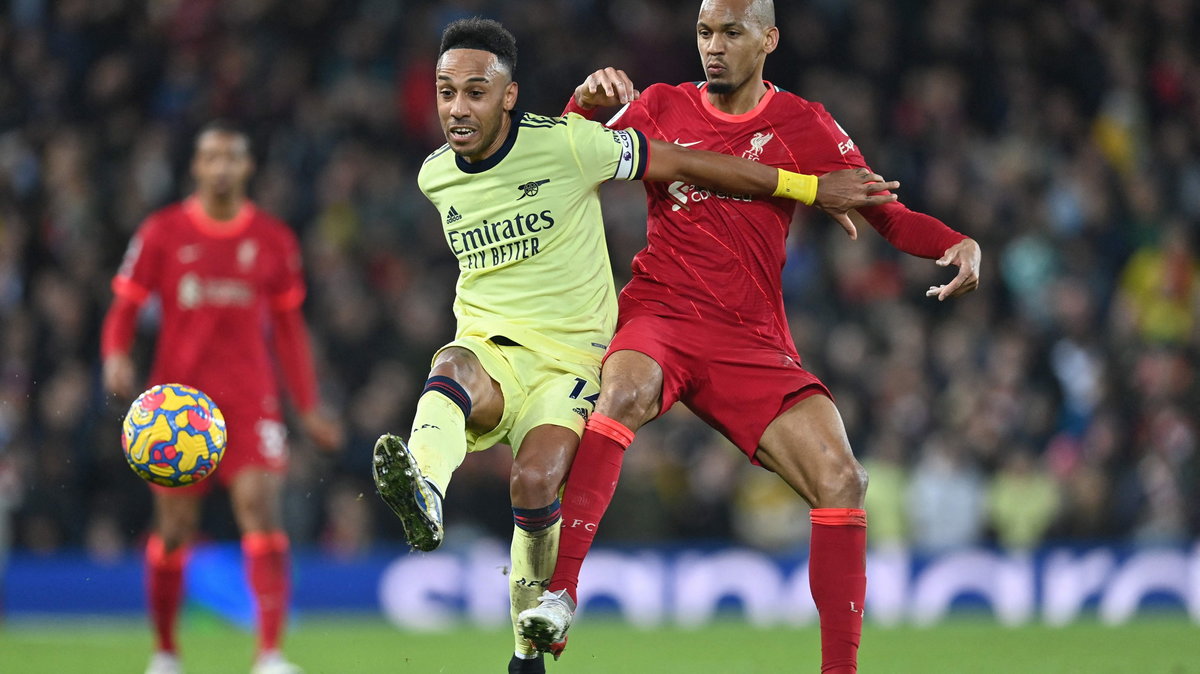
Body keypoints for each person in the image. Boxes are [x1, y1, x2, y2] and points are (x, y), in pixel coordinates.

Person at [368, 17, 899, 674]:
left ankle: (525, 654)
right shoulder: (434, 176)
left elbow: (680, 161)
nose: (456, 107)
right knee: (450, 366)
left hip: (570, 364)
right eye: (446, 92)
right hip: (492, 347)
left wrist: (810, 188)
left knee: (534, 484)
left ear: (509, 95)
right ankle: (424, 488)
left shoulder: (572, 143)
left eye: (475, 92)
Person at [516, 2, 982, 673]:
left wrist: (957, 241)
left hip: (751, 339)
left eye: (731, 33)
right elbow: (561, 159)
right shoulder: (659, 105)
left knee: (842, 478)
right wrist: (582, 104)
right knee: (623, 389)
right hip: (662, 312)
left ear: (768, 39)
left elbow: (886, 212)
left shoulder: (803, 124)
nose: (714, 46)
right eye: (705, 32)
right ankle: (560, 596)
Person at [101, 120, 341, 674]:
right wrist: (115, 355)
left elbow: (288, 331)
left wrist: (306, 406)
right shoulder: (162, 232)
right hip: (177, 408)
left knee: (261, 510)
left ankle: (270, 653)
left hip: (250, 400)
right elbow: (124, 306)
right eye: (212, 157)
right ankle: (164, 651)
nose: (222, 167)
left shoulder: (274, 240)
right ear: (196, 166)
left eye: (232, 157)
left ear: (247, 166)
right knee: (174, 530)